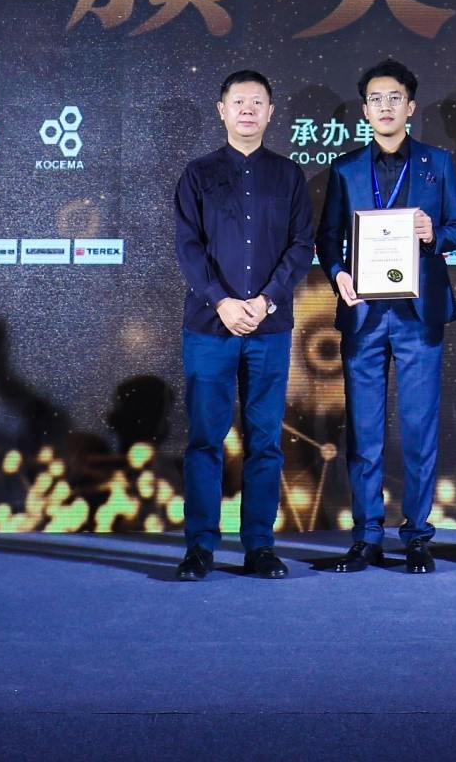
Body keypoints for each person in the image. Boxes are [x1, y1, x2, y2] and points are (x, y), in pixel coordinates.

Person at [314, 58, 456, 573]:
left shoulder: (436, 163)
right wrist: (338, 273)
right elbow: (327, 238)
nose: (385, 106)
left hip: (418, 315)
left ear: (411, 106)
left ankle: (418, 535)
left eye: (394, 98)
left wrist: (434, 234)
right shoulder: (345, 169)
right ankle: (367, 536)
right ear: (365, 110)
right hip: (364, 313)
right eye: (376, 99)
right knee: (366, 433)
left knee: (419, 429)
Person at [171, 70, 316, 581]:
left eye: (258, 102)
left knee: (265, 442)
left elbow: (302, 245)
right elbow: (188, 247)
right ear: (222, 110)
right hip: (210, 327)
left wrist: (267, 300)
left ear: (271, 112)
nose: (248, 110)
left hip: (269, 330)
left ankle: (259, 546)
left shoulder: (289, 176)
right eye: (239, 102)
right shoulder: (197, 174)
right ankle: (199, 547)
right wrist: (223, 302)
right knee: (205, 440)